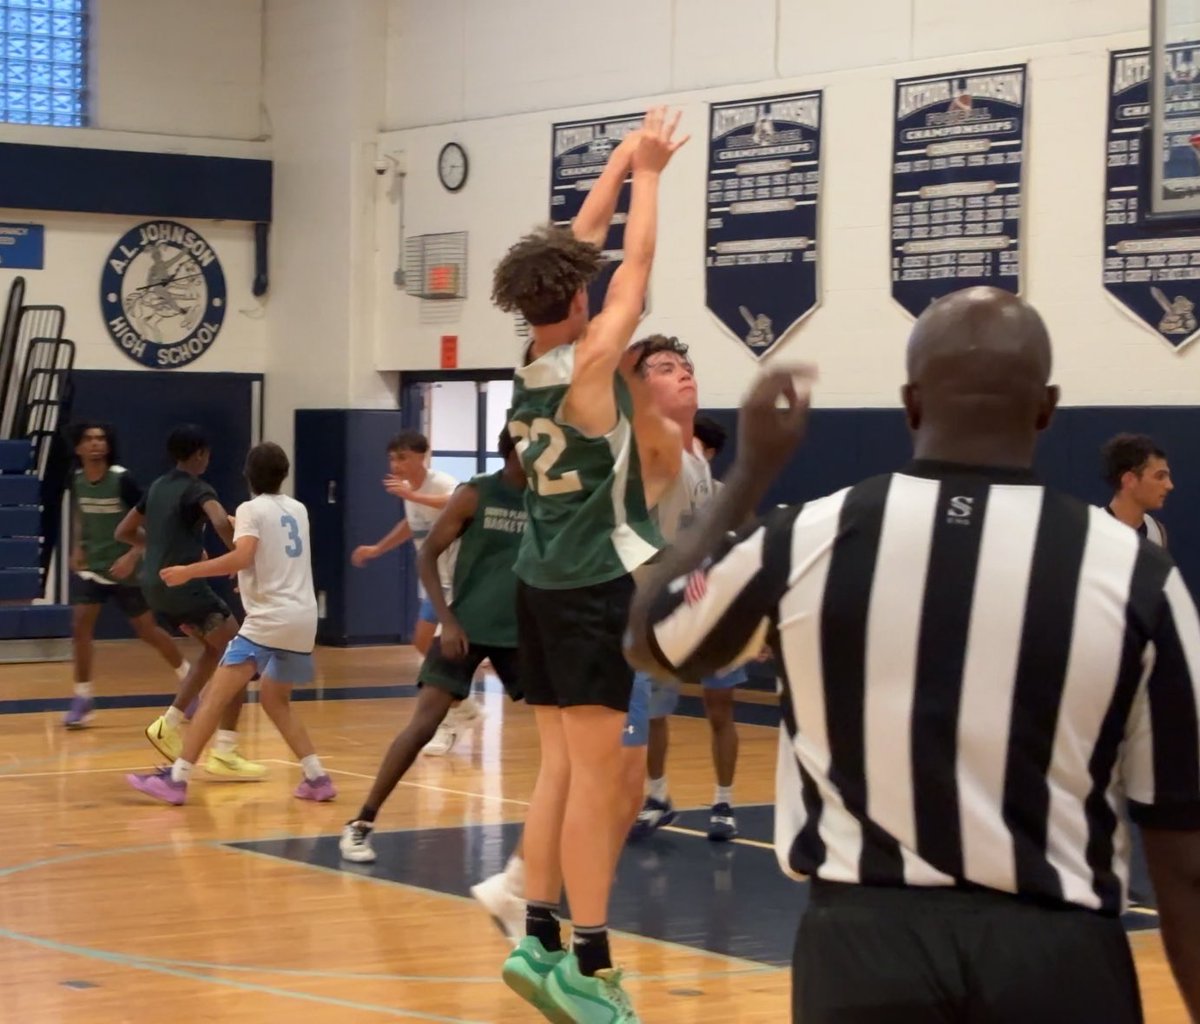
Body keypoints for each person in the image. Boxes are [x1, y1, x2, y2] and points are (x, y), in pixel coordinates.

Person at [626, 287, 1200, 1024]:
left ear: (910, 404)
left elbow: (651, 638)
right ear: (1047, 408)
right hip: (1059, 955)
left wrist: (749, 478)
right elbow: (1182, 860)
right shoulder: (1138, 574)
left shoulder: (801, 539)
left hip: (861, 952)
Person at [491, 106, 687, 1022]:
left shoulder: (530, 357)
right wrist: (649, 176)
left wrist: (614, 162)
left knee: (558, 772)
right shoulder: (590, 362)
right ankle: (592, 964)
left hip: (536, 581)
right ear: (575, 302)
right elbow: (633, 268)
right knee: (600, 777)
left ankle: (537, 940)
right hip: (589, 585)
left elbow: (576, 249)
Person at [340, 430, 528, 876]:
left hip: (521, 633)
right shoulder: (474, 492)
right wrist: (450, 620)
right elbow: (427, 557)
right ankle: (361, 822)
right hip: (467, 625)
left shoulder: (547, 499)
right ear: (517, 448)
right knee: (422, 724)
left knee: (572, 729)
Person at [126, 443, 333, 804]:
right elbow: (266, 543)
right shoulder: (297, 510)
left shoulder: (251, 508)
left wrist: (189, 570)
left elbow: (243, 555)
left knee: (214, 699)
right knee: (275, 701)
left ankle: (176, 780)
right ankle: (317, 778)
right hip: (302, 618)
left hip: (269, 619)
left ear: (246, 474)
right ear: (283, 473)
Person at [620, 335, 746, 843]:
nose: (684, 372)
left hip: (666, 618)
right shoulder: (649, 447)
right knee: (604, 769)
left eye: (686, 365)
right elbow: (620, 535)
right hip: (623, 621)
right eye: (666, 368)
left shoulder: (696, 461)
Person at [115, 425, 265, 780]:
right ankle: (225, 751)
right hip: (183, 586)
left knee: (216, 653)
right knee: (243, 657)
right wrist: (240, 558)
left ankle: (169, 723)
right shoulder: (199, 488)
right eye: (207, 453)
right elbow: (218, 520)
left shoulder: (156, 487)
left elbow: (123, 531)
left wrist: (154, 547)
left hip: (154, 587)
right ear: (199, 454)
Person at [351, 430, 480, 754]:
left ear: (423, 456)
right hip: (437, 581)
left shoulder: (440, 482)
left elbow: (455, 502)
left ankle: (449, 725)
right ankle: (464, 707)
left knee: (442, 654)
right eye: (392, 458)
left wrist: (412, 497)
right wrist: (379, 548)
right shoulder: (412, 493)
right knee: (421, 642)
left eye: (403, 457)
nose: (396, 464)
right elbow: (412, 524)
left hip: (459, 581)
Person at [64, 421, 190, 728]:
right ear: (78, 447)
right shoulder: (77, 479)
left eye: (101, 438)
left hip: (126, 570)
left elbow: (151, 522)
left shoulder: (122, 480)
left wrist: (133, 554)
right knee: (81, 626)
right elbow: (81, 513)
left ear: (108, 446)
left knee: (147, 631)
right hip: (95, 567)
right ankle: (83, 698)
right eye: (89, 439)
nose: (96, 443)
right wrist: (78, 546)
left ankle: (190, 683)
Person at [1102, 433, 1173, 548]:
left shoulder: (1157, 532)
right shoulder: (1091, 529)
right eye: (1160, 476)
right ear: (1129, 480)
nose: (1169, 485)